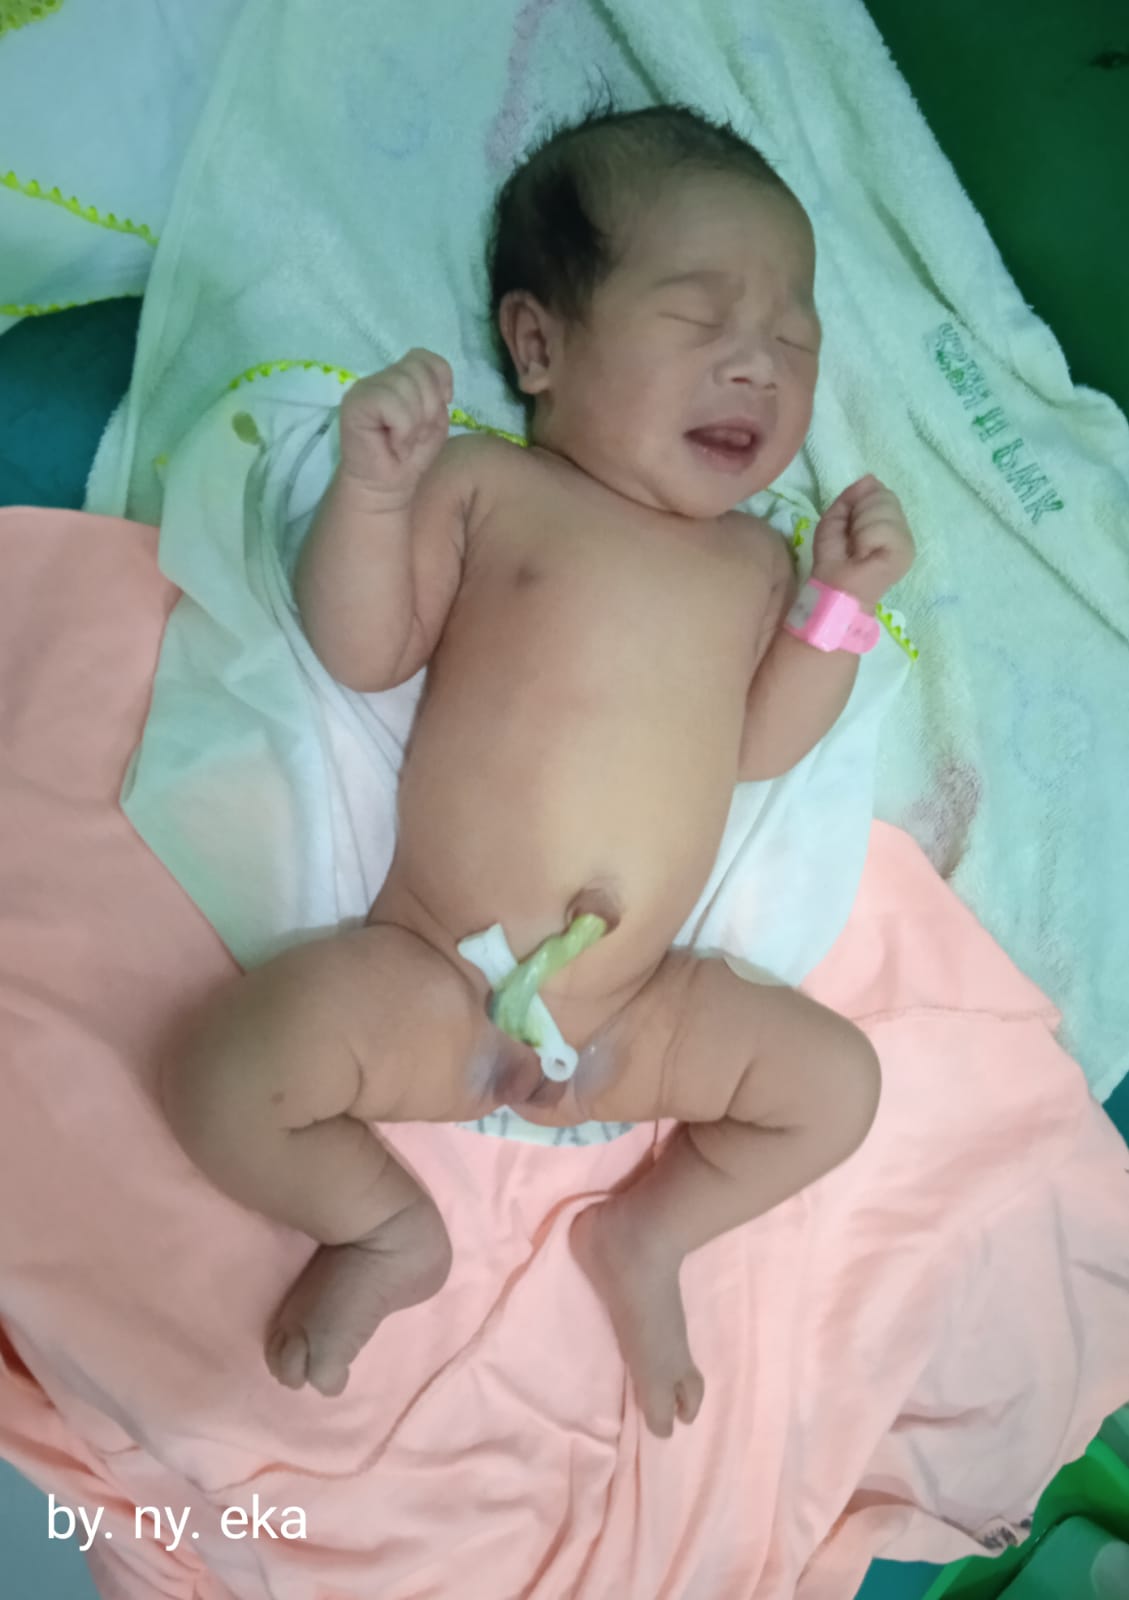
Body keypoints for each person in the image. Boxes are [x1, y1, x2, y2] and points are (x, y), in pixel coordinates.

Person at [162, 102, 914, 1438]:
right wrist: (374, 495)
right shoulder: (492, 490)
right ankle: (386, 1228)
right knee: (227, 1075)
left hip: (637, 1014)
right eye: (700, 318)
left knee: (836, 1089)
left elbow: (761, 746)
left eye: (793, 341)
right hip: (432, 976)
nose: (757, 366)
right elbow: (366, 649)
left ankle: (648, 1234)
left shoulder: (755, 561)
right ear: (538, 344)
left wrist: (839, 607)